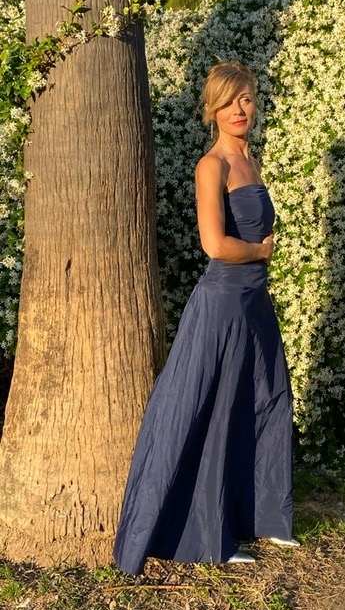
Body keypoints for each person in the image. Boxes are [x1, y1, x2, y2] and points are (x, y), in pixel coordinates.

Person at [113, 61, 297, 574]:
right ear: (212, 109)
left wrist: (259, 261)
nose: (239, 110)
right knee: (212, 411)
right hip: (223, 305)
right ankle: (203, 534)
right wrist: (261, 252)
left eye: (246, 99)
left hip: (254, 303)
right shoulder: (211, 165)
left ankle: (256, 516)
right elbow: (215, 245)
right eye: (228, 102)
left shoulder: (250, 161)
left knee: (261, 401)